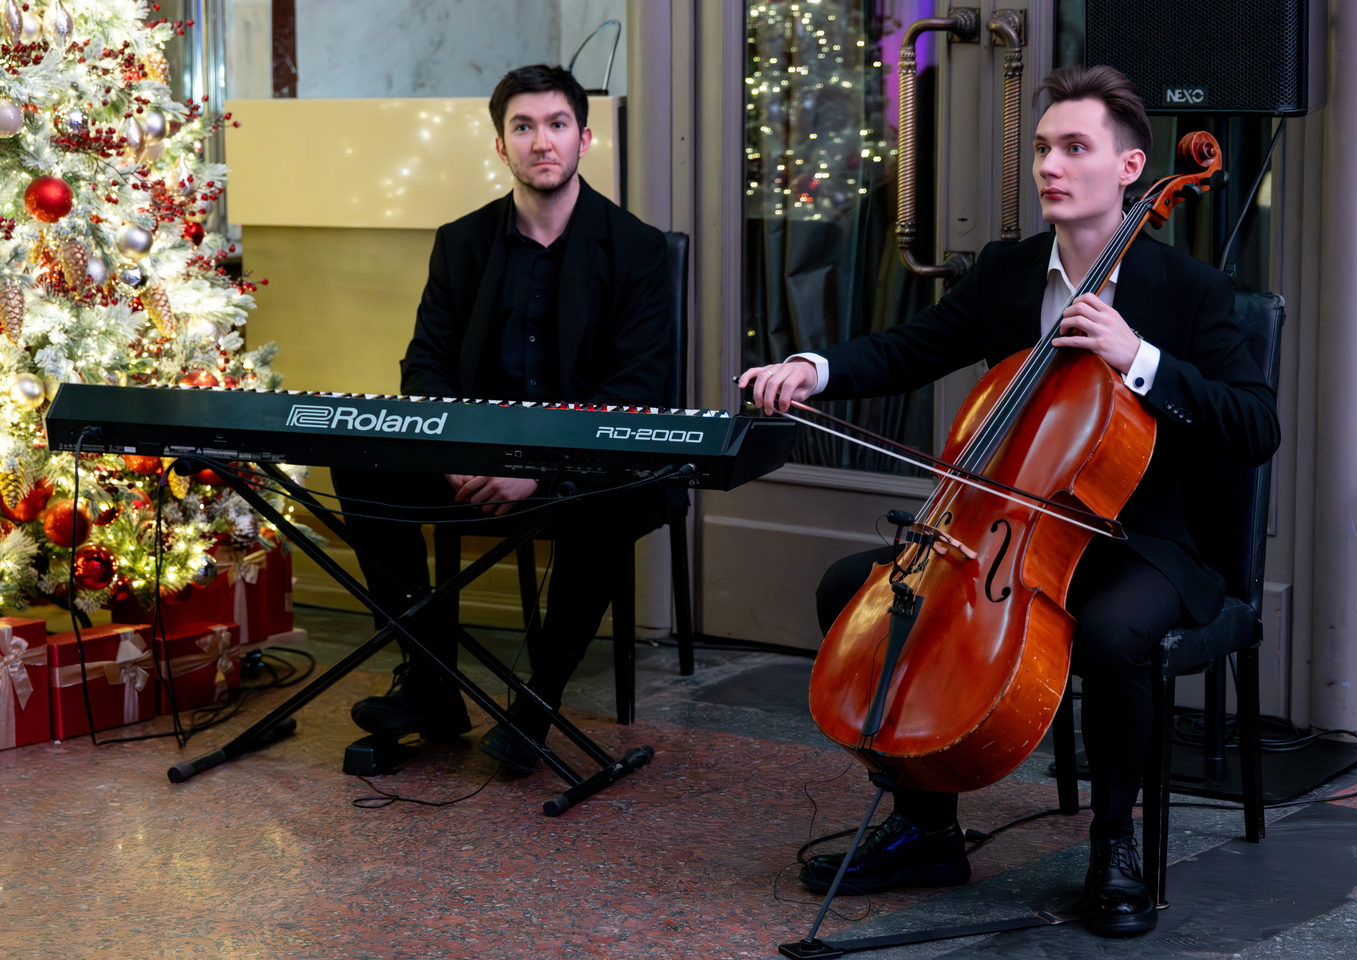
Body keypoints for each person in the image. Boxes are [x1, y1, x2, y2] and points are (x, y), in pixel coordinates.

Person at [739, 65, 1279, 937]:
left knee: (1112, 633)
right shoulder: (1007, 272)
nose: (1049, 167)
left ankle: (1113, 843)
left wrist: (1138, 358)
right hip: (1007, 532)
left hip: (1139, 542)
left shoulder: (1190, 292)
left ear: (1130, 168)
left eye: (1074, 148)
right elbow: (909, 348)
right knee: (856, 589)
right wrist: (813, 369)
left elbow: (1255, 427)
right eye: (1041, 149)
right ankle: (925, 827)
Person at [331, 64, 674, 775]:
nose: (541, 142)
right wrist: (456, 453)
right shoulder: (461, 242)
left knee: (610, 498)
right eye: (523, 127)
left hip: (585, 462)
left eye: (556, 125)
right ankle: (429, 679)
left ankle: (538, 701)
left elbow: (634, 390)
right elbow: (426, 368)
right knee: (362, 464)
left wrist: (537, 469)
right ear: (500, 145)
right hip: (475, 455)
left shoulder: (636, 248)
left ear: (583, 139)